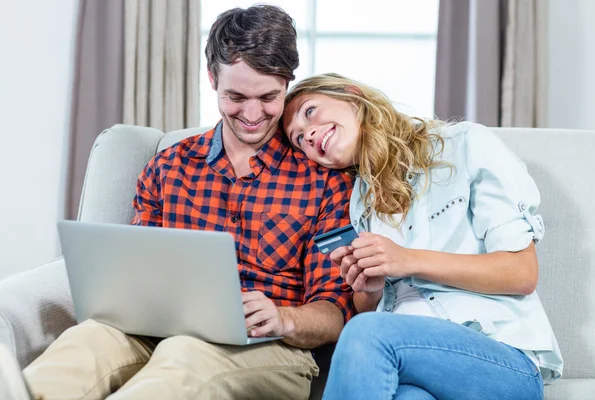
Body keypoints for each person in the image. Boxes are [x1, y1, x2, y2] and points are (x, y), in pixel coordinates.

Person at [1, 7, 354, 400]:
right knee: (88, 342)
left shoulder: (324, 180)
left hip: (272, 349)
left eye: (268, 97)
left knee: (185, 355)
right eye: (235, 97)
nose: (253, 115)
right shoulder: (169, 166)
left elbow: (335, 312)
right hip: (155, 332)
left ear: (287, 84)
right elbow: (135, 273)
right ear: (212, 79)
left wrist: (283, 318)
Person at [283, 73, 563, 400]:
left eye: (310, 112)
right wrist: (370, 291)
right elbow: (372, 315)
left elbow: (521, 273)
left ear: (352, 95)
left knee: (365, 333)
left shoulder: (465, 144)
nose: (309, 133)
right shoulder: (355, 202)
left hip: (498, 359)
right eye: (298, 138)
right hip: (409, 364)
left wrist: (408, 261)